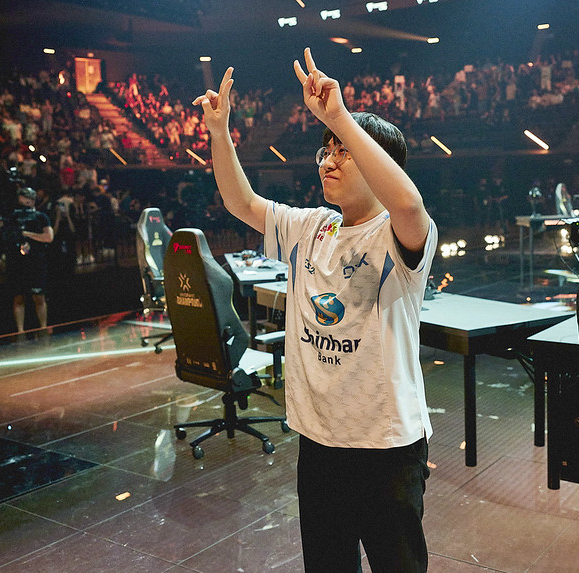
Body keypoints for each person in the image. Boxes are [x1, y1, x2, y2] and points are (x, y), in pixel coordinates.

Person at [193, 48, 436, 573]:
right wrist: (218, 132)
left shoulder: (397, 233)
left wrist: (341, 118)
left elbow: (409, 204)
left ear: (379, 163)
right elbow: (241, 203)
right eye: (326, 149)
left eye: (343, 151)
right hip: (319, 441)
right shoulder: (312, 226)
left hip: (386, 446)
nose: (327, 161)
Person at [0, 187, 54, 337]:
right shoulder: (13, 217)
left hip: (36, 261)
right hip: (17, 262)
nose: (26, 202)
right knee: (18, 297)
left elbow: (48, 237)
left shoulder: (41, 217)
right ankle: (20, 331)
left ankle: (43, 328)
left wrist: (26, 234)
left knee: (39, 296)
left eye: (29, 198)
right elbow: (5, 236)